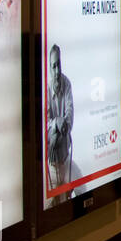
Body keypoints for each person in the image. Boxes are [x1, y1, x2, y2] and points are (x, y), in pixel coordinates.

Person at [46, 44, 75, 202]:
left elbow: (69, 118)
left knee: (65, 201)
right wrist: (57, 122)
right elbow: (45, 124)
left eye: (59, 65)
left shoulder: (67, 83)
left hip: (65, 156)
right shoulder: (45, 89)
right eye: (53, 66)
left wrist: (56, 132)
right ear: (50, 68)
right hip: (50, 164)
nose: (57, 71)